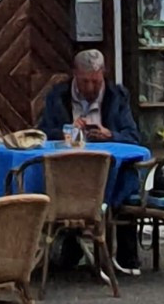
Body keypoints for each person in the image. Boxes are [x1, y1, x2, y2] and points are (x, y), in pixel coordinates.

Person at [38, 48, 147, 273]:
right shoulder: (58, 96)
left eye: (95, 82)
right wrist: (66, 131)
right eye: (85, 81)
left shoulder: (117, 96)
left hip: (110, 169)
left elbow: (134, 137)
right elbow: (43, 133)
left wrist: (111, 135)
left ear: (103, 75)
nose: (90, 88)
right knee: (61, 185)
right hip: (66, 168)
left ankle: (126, 256)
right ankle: (70, 244)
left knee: (126, 184)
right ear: (74, 74)